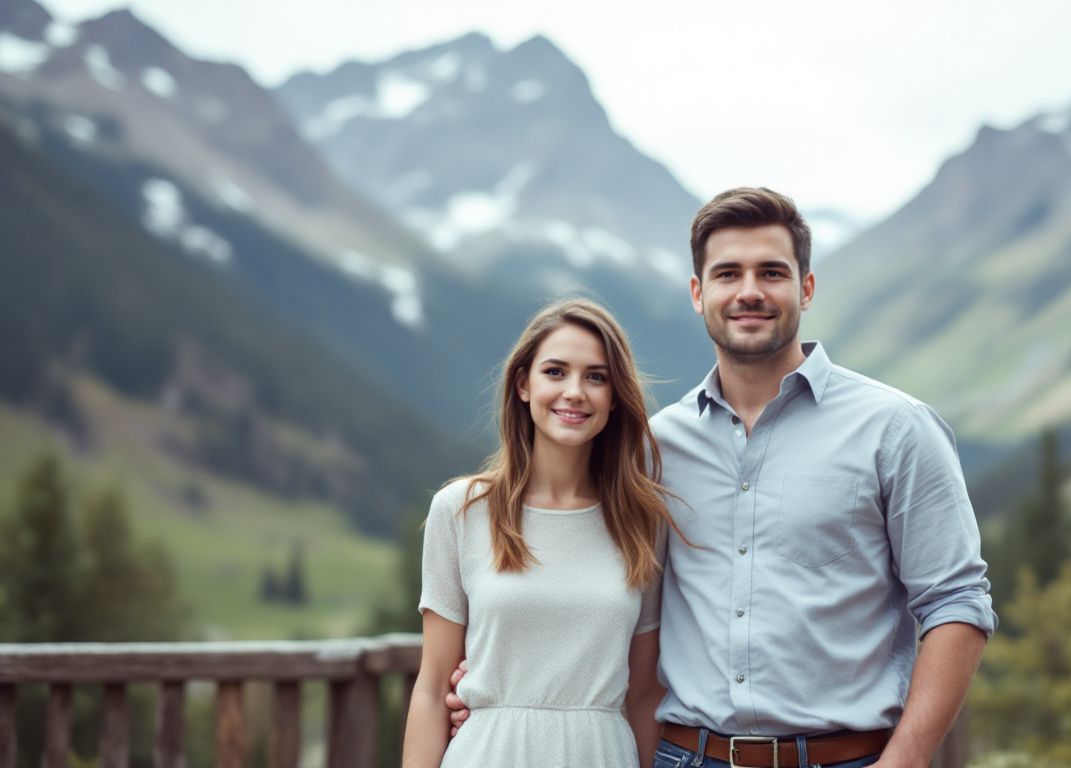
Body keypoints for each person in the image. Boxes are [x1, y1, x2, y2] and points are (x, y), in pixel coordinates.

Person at [449, 188, 996, 768]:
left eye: (772, 272)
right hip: (686, 757)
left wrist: (903, 762)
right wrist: (500, 684)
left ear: (806, 289)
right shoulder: (653, 448)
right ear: (698, 293)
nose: (749, 292)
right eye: (728, 273)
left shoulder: (897, 430)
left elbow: (957, 602)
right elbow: (593, 587)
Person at [403, 298, 677, 767]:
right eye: (555, 371)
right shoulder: (461, 511)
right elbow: (431, 688)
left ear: (615, 397)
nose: (575, 391)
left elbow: (645, 693)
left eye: (596, 376)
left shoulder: (641, 523)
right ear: (523, 384)